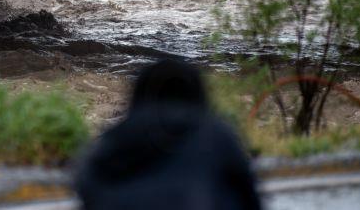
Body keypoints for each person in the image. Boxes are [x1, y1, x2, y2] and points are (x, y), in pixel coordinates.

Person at [75, 59, 262, 210]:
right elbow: (249, 194)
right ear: (198, 95)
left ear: (137, 96)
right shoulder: (216, 133)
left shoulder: (120, 133)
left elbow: (85, 179)